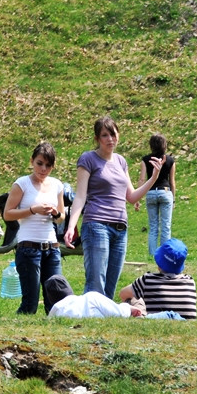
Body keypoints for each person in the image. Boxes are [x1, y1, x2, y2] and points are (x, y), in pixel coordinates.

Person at [63, 116, 163, 299]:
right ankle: (89, 322)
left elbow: (131, 197)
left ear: (118, 135)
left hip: (120, 229)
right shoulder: (88, 159)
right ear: (97, 139)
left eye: (113, 134)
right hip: (96, 225)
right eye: (104, 135)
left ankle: (103, 323)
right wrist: (71, 226)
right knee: (96, 284)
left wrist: (154, 178)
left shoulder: (120, 161)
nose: (110, 139)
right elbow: (80, 196)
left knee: (110, 287)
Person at [2, 142, 65, 314]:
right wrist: (32, 210)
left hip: (52, 248)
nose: (43, 169)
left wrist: (55, 214)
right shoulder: (22, 184)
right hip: (29, 248)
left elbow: (61, 217)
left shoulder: (57, 185)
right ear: (32, 161)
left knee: (56, 303)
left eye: (48, 166)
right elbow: (8, 214)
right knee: (30, 303)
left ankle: (54, 334)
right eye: (39, 163)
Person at [118, 238, 197, 319]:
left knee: (133, 298)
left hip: (154, 320)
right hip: (185, 323)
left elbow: (122, 294)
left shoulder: (147, 279)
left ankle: (141, 317)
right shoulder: (190, 281)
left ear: (159, 262)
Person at [136, 133, 176, 258]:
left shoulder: (145, 160)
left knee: (153, 226)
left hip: (151, 192)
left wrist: (137, 197)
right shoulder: (170, 160)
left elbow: (142, 179)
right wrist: (173, 199)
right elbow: (172, 182)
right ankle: (164, 255)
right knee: (166, 226)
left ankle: (152, 254)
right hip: (165, 191)